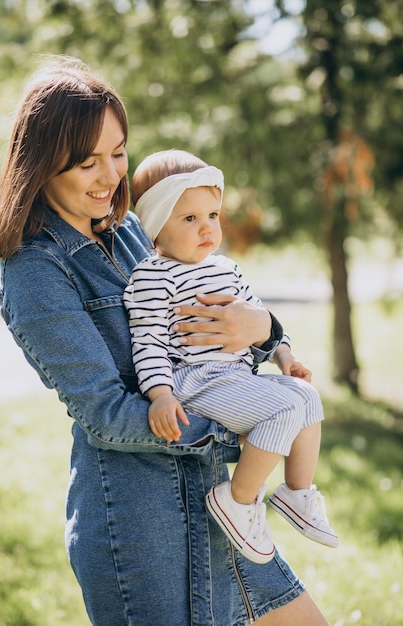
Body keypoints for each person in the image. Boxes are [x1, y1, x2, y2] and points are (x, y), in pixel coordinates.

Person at [0, 55, 331, 626]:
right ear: (43, 164)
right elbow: (106, 412)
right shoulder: (36, 271)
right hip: (144, 529)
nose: (110, 176)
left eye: (118, 153)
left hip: (220, 506)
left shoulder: (129, 231)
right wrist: (253, 425)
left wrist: (266, 330)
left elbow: (215, 295)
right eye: (85, 162)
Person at [124, 149, 338, 564]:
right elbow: (146, 340)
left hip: (239, 375)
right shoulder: (153, 275)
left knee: (306, 397)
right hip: (197, 379)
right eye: (189, 219)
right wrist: (161, 394)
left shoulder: (226, 269)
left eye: (213, 216)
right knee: (283, 410)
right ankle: (238, 500)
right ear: (156, 229)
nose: (206, 228)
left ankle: (296, 492)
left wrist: (285, 358)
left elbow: (258, 314)